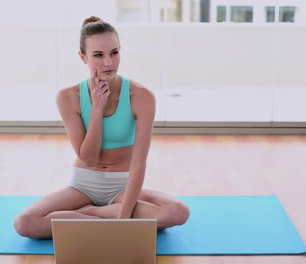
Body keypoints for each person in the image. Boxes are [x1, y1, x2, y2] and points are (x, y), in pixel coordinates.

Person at [14, 16, 190, 239]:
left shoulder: (142, 96)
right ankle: (107, 218)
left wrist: (124, 216)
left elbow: (139, 163)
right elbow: (88, 158)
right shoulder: (68, 97)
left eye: (114, 53)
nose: (108, 62)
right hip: (83, 185)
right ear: (83, 57)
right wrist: (97, 109)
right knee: (25, 223)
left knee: (178, 212)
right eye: (98, 55)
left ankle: (91, 216)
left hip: (123, 186)